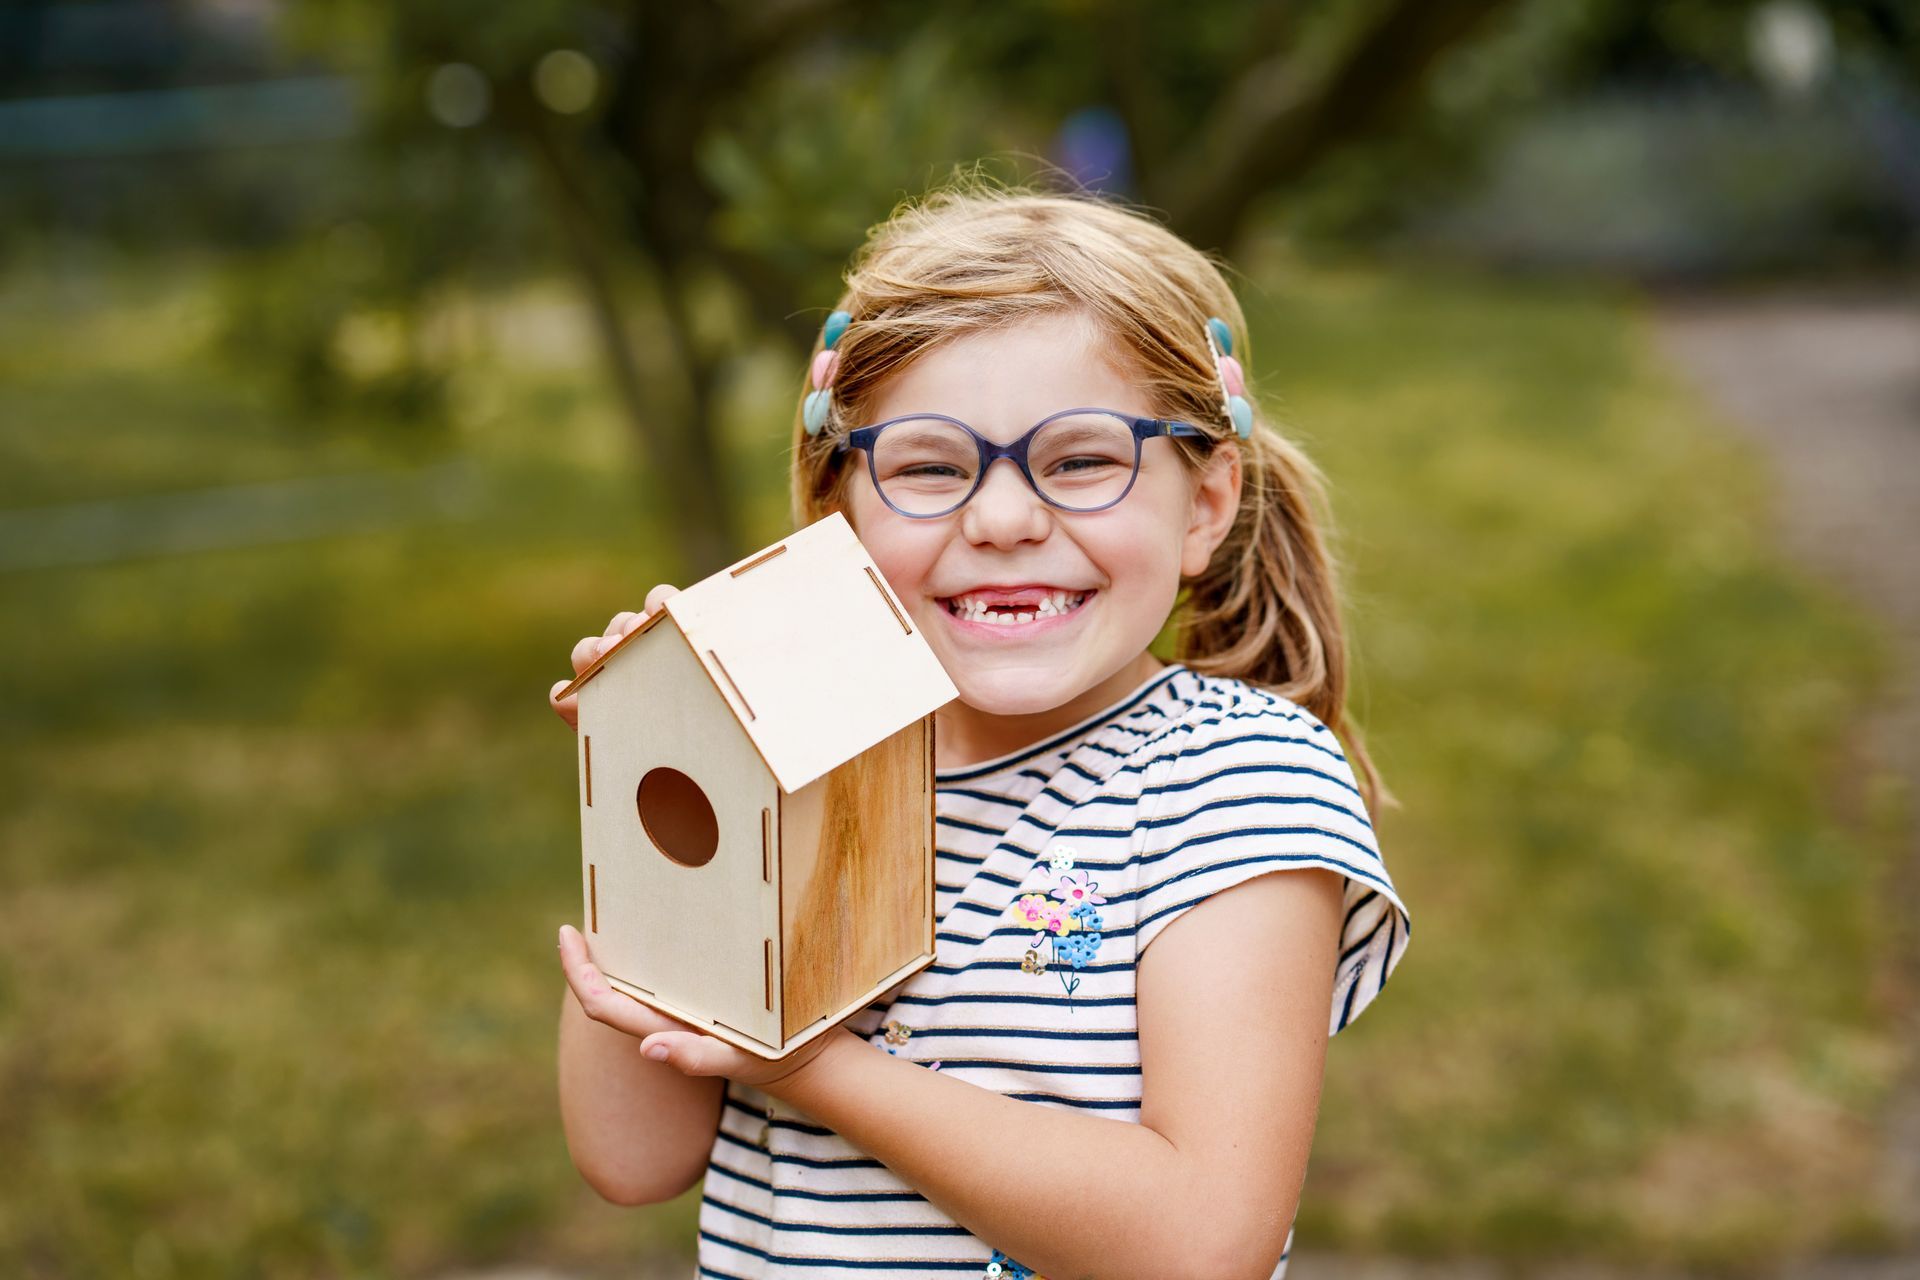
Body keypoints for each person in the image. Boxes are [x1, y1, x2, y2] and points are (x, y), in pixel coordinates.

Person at [547, 179, 1412, 1280]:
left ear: (1203, 505)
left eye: (1084, 460)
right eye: (928, 466)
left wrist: (814, 1068)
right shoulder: (802, 745)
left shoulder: (1230, 783)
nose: (1003, 519)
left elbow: (1203, 1238)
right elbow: (631, 1154)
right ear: (839, 509)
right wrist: (658, 784)